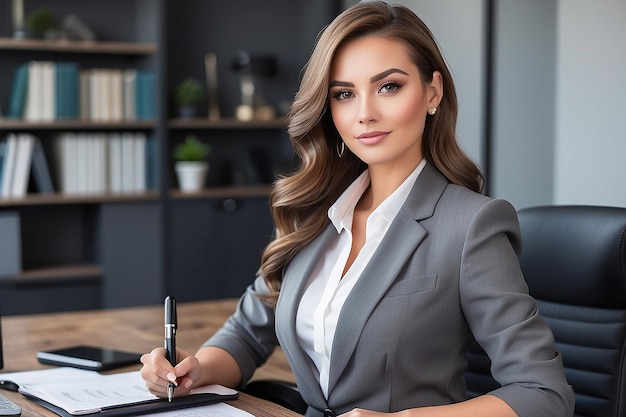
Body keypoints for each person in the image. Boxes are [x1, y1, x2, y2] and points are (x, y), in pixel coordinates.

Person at [141, 2, 575, 416]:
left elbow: (544, 393)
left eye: (388, 86)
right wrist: (191, 372)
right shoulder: (314, 211)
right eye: (344, 94)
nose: (364, 113)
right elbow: (246, 334)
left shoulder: (472, 225)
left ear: (432, 92)